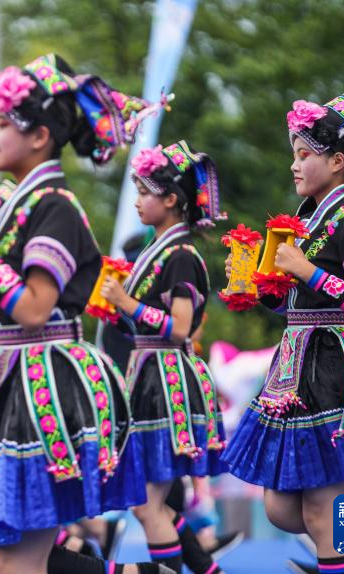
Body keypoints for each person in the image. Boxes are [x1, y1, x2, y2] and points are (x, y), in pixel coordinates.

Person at [0, 54, 161, 574]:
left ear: (39, 136)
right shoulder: (19, 206)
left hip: (49, 386)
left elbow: (34, 309)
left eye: (2, 123)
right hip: (13, 379)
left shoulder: (55, 205)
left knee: (13, 559)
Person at [221, 94, 344, 574]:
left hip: (334, 368)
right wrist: (254, 285)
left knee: (321, 513)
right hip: (298, 367)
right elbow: (295, 304)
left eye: (304, 153)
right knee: (282, 508)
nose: (294, 165)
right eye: (294, 153)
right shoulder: (307, 222)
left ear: (337, 161)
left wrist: (306, 271)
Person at [99, 140, 228, 574]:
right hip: (150, 377)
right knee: (152, 503)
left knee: (149, 505)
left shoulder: (181, 255)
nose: (137, 202)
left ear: (171, 200)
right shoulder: (160, 251)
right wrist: (119, 312)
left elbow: (180, 327)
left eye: (144, 192)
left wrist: (128, 304)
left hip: (167, 381)